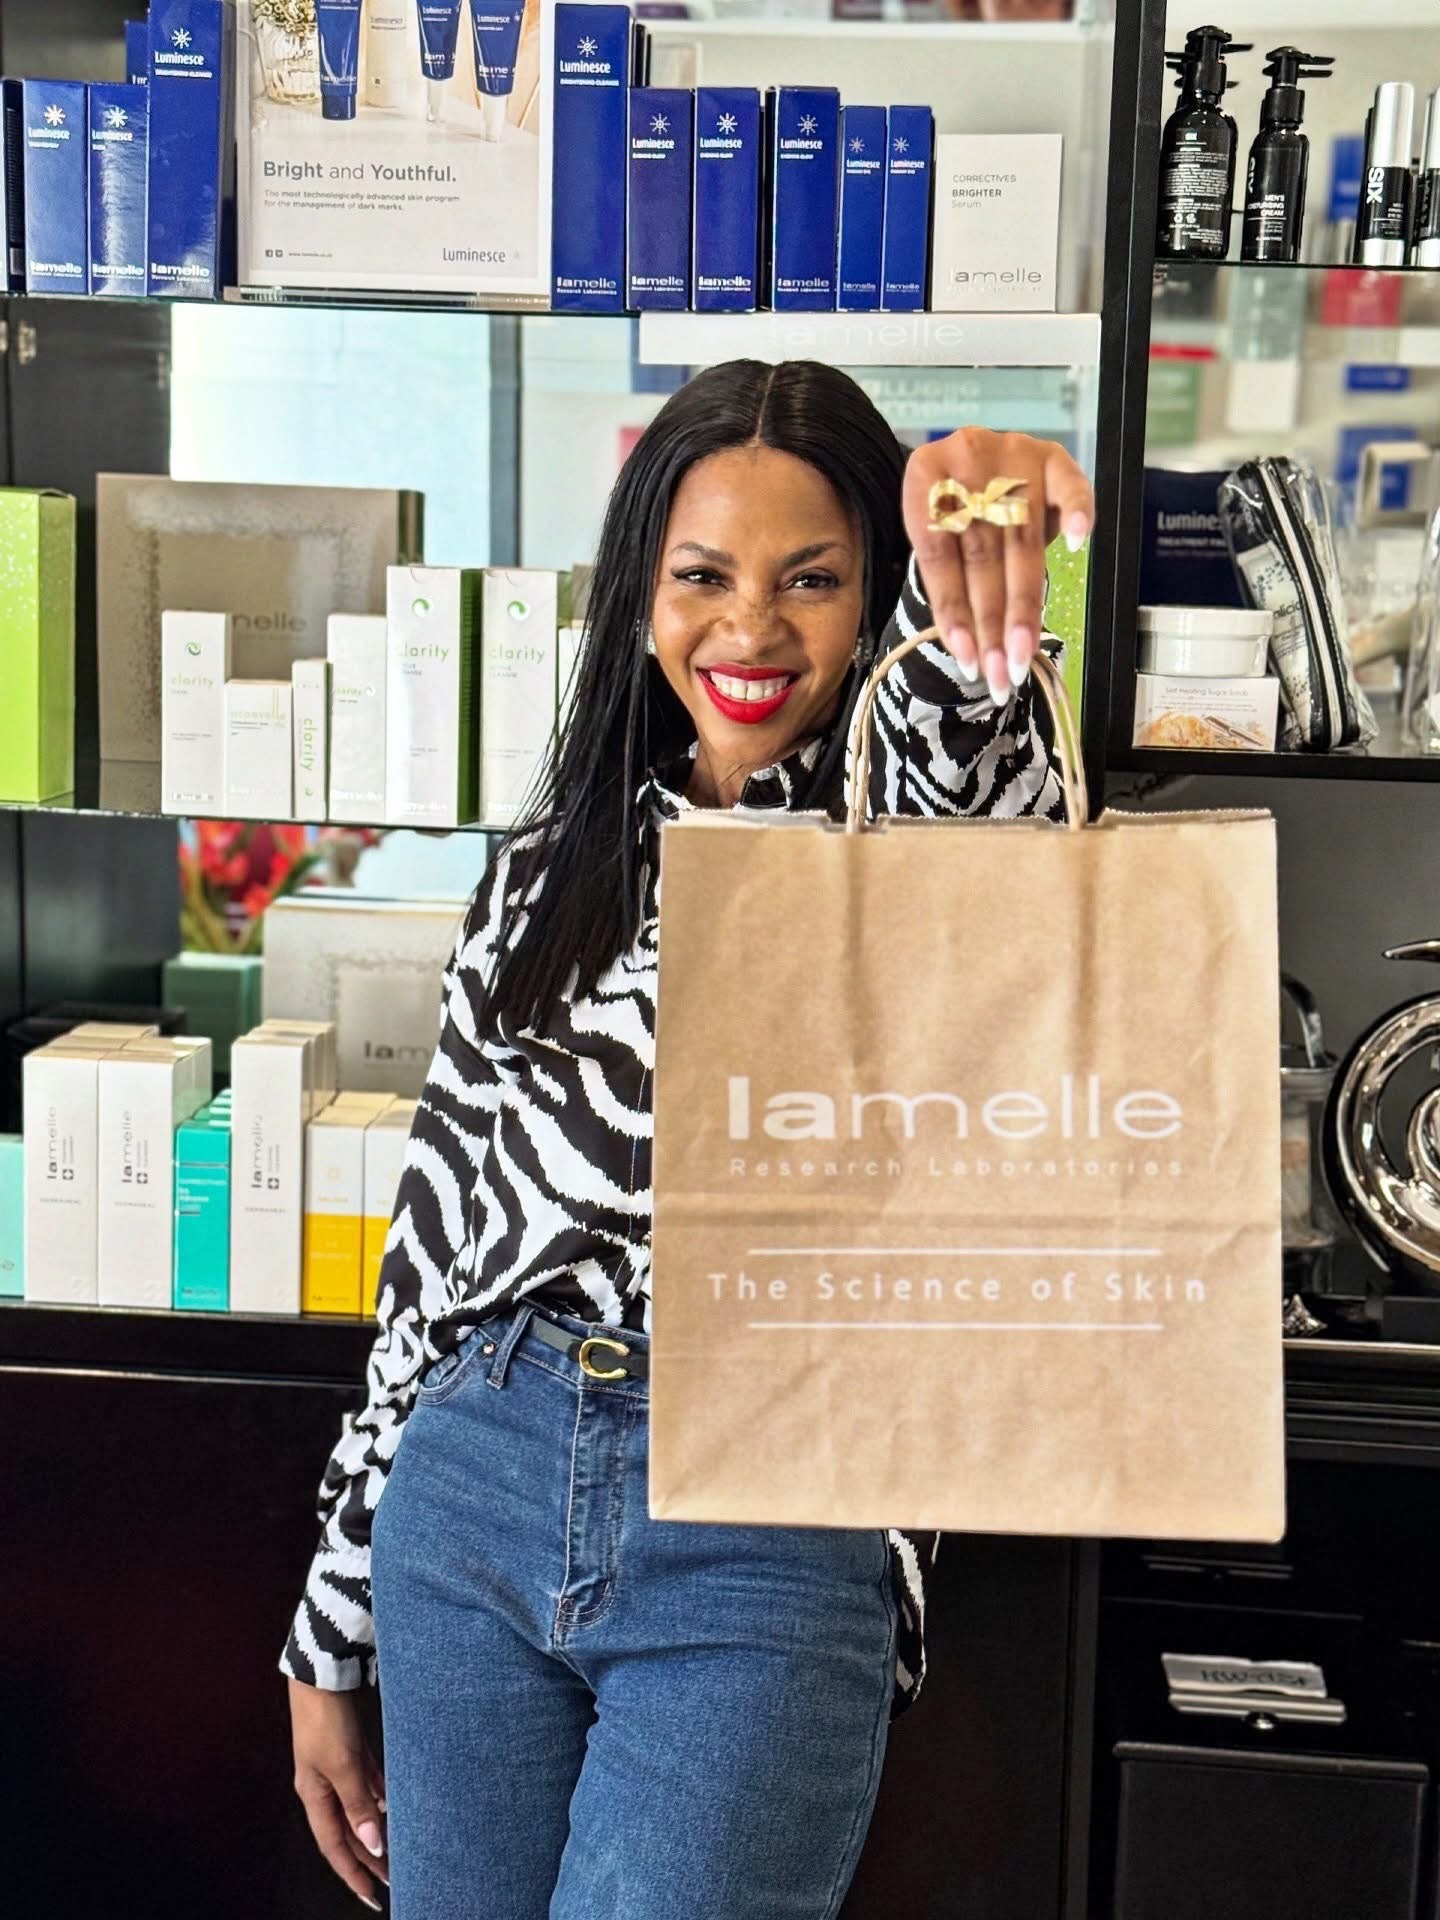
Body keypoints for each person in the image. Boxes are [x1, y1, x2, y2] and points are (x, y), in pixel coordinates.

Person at [284, 358, 1095, 1920]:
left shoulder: (914, 854)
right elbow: (430, 1266)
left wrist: (973, 594)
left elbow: (983, 779)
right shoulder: (544, 874)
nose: (751, 629)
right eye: (703, 576)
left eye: (815, 580)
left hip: (776, 1515)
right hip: (479, 1478)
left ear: (879, 595)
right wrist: (329, 1627)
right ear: (639, 595)